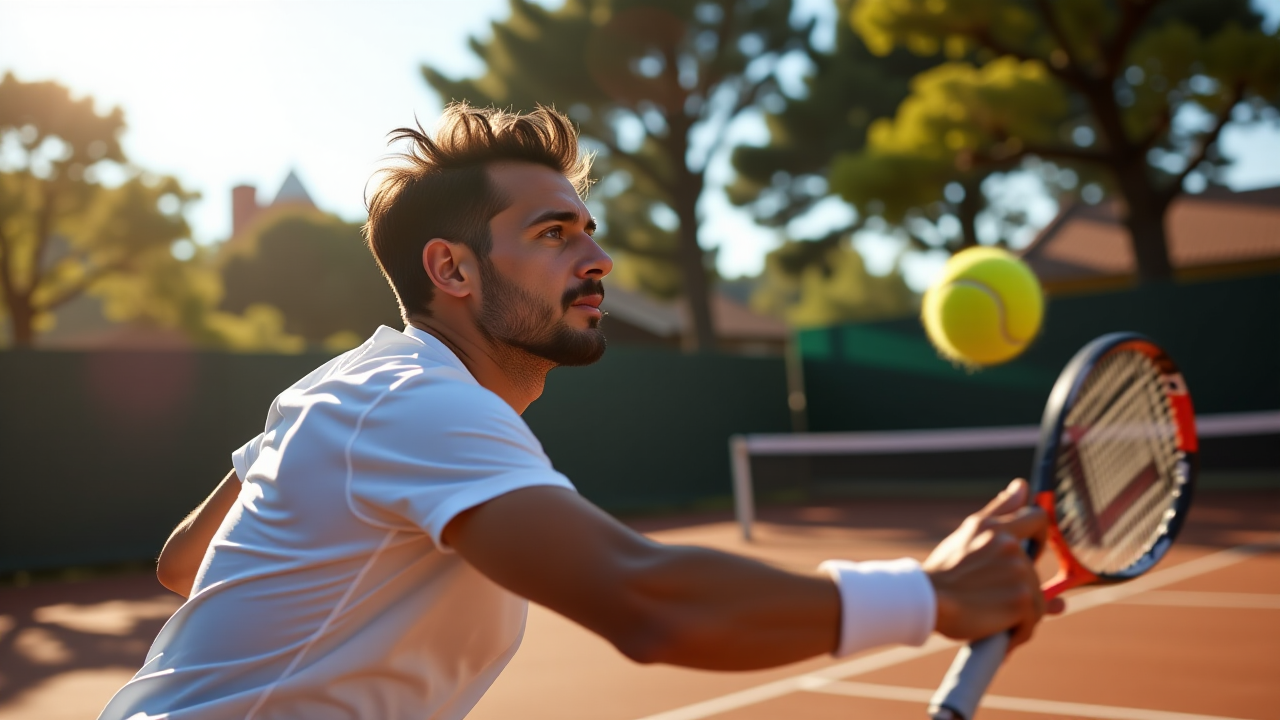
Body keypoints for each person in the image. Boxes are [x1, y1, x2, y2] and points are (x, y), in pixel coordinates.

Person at [98, 104, 1059, 720]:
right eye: (554, 234)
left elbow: (186, 563)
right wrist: (932, 596)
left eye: (588, 231)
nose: (595, 258)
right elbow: (646, 603)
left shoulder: (351, 385)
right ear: (454, 270)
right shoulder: (416, 403)